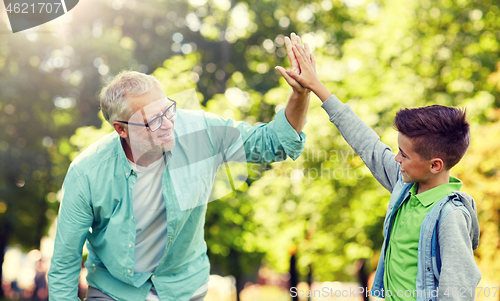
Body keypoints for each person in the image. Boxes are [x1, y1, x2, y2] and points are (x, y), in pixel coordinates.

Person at [48, 34, 311, 301]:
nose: (168, 123)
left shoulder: (201, 132)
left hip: (183, 287)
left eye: (168, 110)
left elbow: (275, 143)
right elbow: (65, 262)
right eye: (153, 120)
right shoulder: (87, 173)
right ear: (121, 129)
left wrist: (300, 94)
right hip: (115, 289)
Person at [280, 42, 481, 300]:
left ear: (435, 165)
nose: (396, 158)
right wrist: (317, 87)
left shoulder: (450, 215)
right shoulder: (405, 187)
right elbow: (367, 144)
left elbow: (458, 290)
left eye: (404, 155)